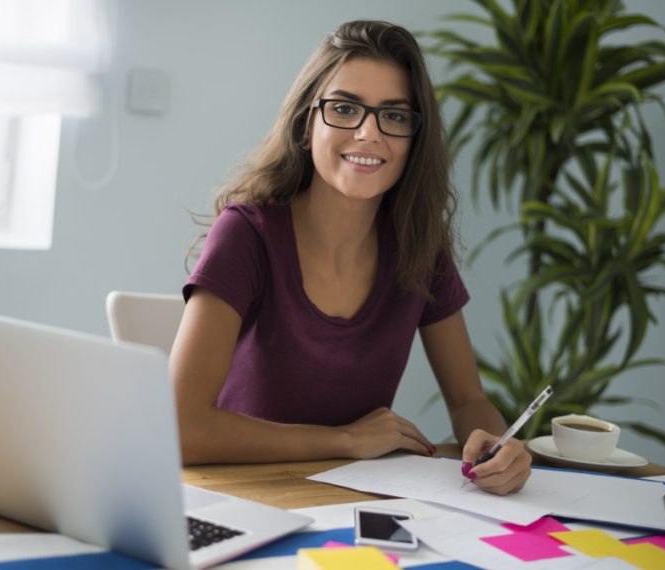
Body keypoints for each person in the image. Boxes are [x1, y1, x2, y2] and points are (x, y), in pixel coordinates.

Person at [169, 20, 531, 495]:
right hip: (242, 497)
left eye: (395, 116)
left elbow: (468, 401)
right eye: (344, 108)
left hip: (353, 502)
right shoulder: (247, 234)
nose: (368, 133)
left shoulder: (420, 245)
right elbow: (179, 427)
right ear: (305, 124)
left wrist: (498, 446)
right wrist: (343, 440)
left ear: (413, 141)